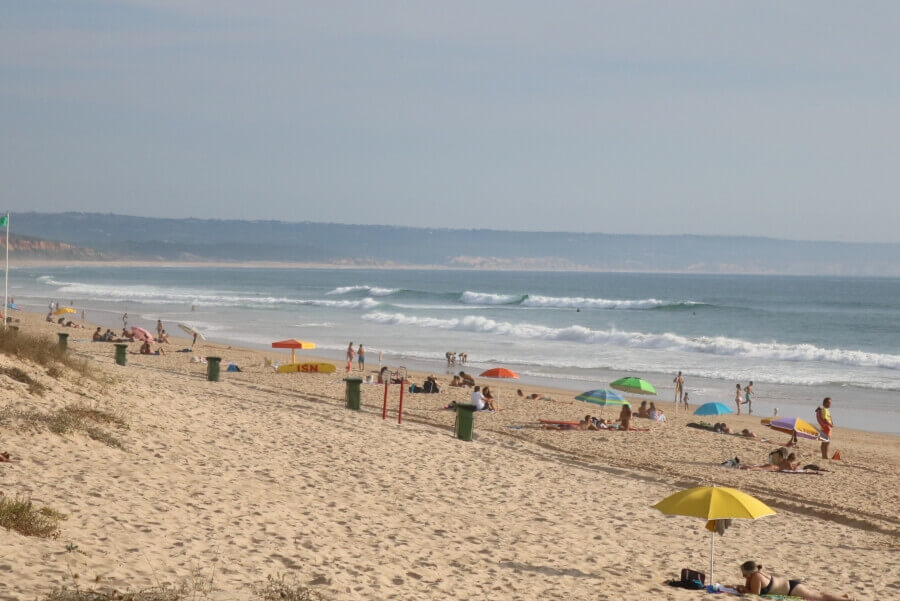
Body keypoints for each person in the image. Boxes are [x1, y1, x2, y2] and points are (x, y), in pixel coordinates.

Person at [736, 561, 854, 600]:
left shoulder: (756, 577)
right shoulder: (755, 575)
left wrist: (743, 590)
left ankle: (848, 600)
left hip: (793, 590)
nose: (743, 576)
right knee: (819, 595)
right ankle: (843, 597)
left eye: (744, 574)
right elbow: (749, 587)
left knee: (819, 597)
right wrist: (743, 586)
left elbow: (755, 593)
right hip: (791, 585)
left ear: (750, 573)